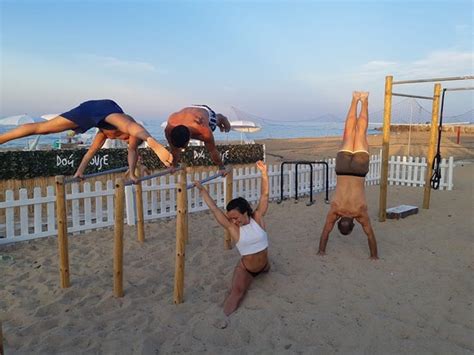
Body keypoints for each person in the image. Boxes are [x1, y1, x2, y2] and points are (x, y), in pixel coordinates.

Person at [0, 99, 173, 181]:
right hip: (107, 109)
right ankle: (151, 141)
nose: (128, 143)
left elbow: (91, 152)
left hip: (89, 111)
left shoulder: (102, 134)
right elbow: (132, 139)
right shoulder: (130, 130)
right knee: (129, 126)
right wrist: (153, 145)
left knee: (42, 129)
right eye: (129, 141)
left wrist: (79, 171)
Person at [194, 160, 270, 316]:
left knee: (266, 268)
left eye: (236, 217)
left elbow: (264, 195)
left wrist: (264, 173)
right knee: (237, 294)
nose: (234, 221)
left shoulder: (257, 217)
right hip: (246, 269)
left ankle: (263, 269)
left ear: (245, 212)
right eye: (231, 218)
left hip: (265, 266)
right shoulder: (233, 228)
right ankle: (225, 318)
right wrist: (202, 191)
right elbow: (215, 209)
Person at [317, 92, 378, 259]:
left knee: (361, 132)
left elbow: (370, 235)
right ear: (339, 223)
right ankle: (354, 99)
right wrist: (320, 250)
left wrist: (374, 255)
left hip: (359, 170)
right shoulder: (335, 210)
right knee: (349, 130)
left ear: (353, 224)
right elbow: (325, 233)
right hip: (343, 168)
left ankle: (364, 100)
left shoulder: (361, 213)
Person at [165, 105, 231, 172]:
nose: (183, 149)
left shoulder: (203, 129)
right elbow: (174, 150)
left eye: (184, 146)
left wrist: (221, 167)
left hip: (203, 112)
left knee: (213, 124)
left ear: (189, 139)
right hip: (189, 111)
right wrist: (174, 165)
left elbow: (212, 150)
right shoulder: (168, 129)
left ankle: (222, 118)